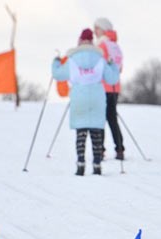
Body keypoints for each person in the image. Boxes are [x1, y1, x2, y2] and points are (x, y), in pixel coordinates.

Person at [51, 28, 119, 176]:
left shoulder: (72, 59)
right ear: (92, 41)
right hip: (97, 98)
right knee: (96, 132)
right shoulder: (100, 58)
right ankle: (96, 163)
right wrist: (113, 65)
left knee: (81, 132)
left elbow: (58, 74)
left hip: (79, 97)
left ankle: (81, 162)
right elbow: (112, 79)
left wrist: (55, 62)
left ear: (80, 40)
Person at [94, 17, 125, 160]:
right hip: (115, 87)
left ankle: (100, 150)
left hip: (102, 86)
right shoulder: (115, 46)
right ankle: (119, 149)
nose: (95, 31)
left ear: (104, 29)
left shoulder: (102, 45)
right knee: (112, 118)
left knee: (100, 118)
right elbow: (120, 68)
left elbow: (98, 66)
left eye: (97, 28)